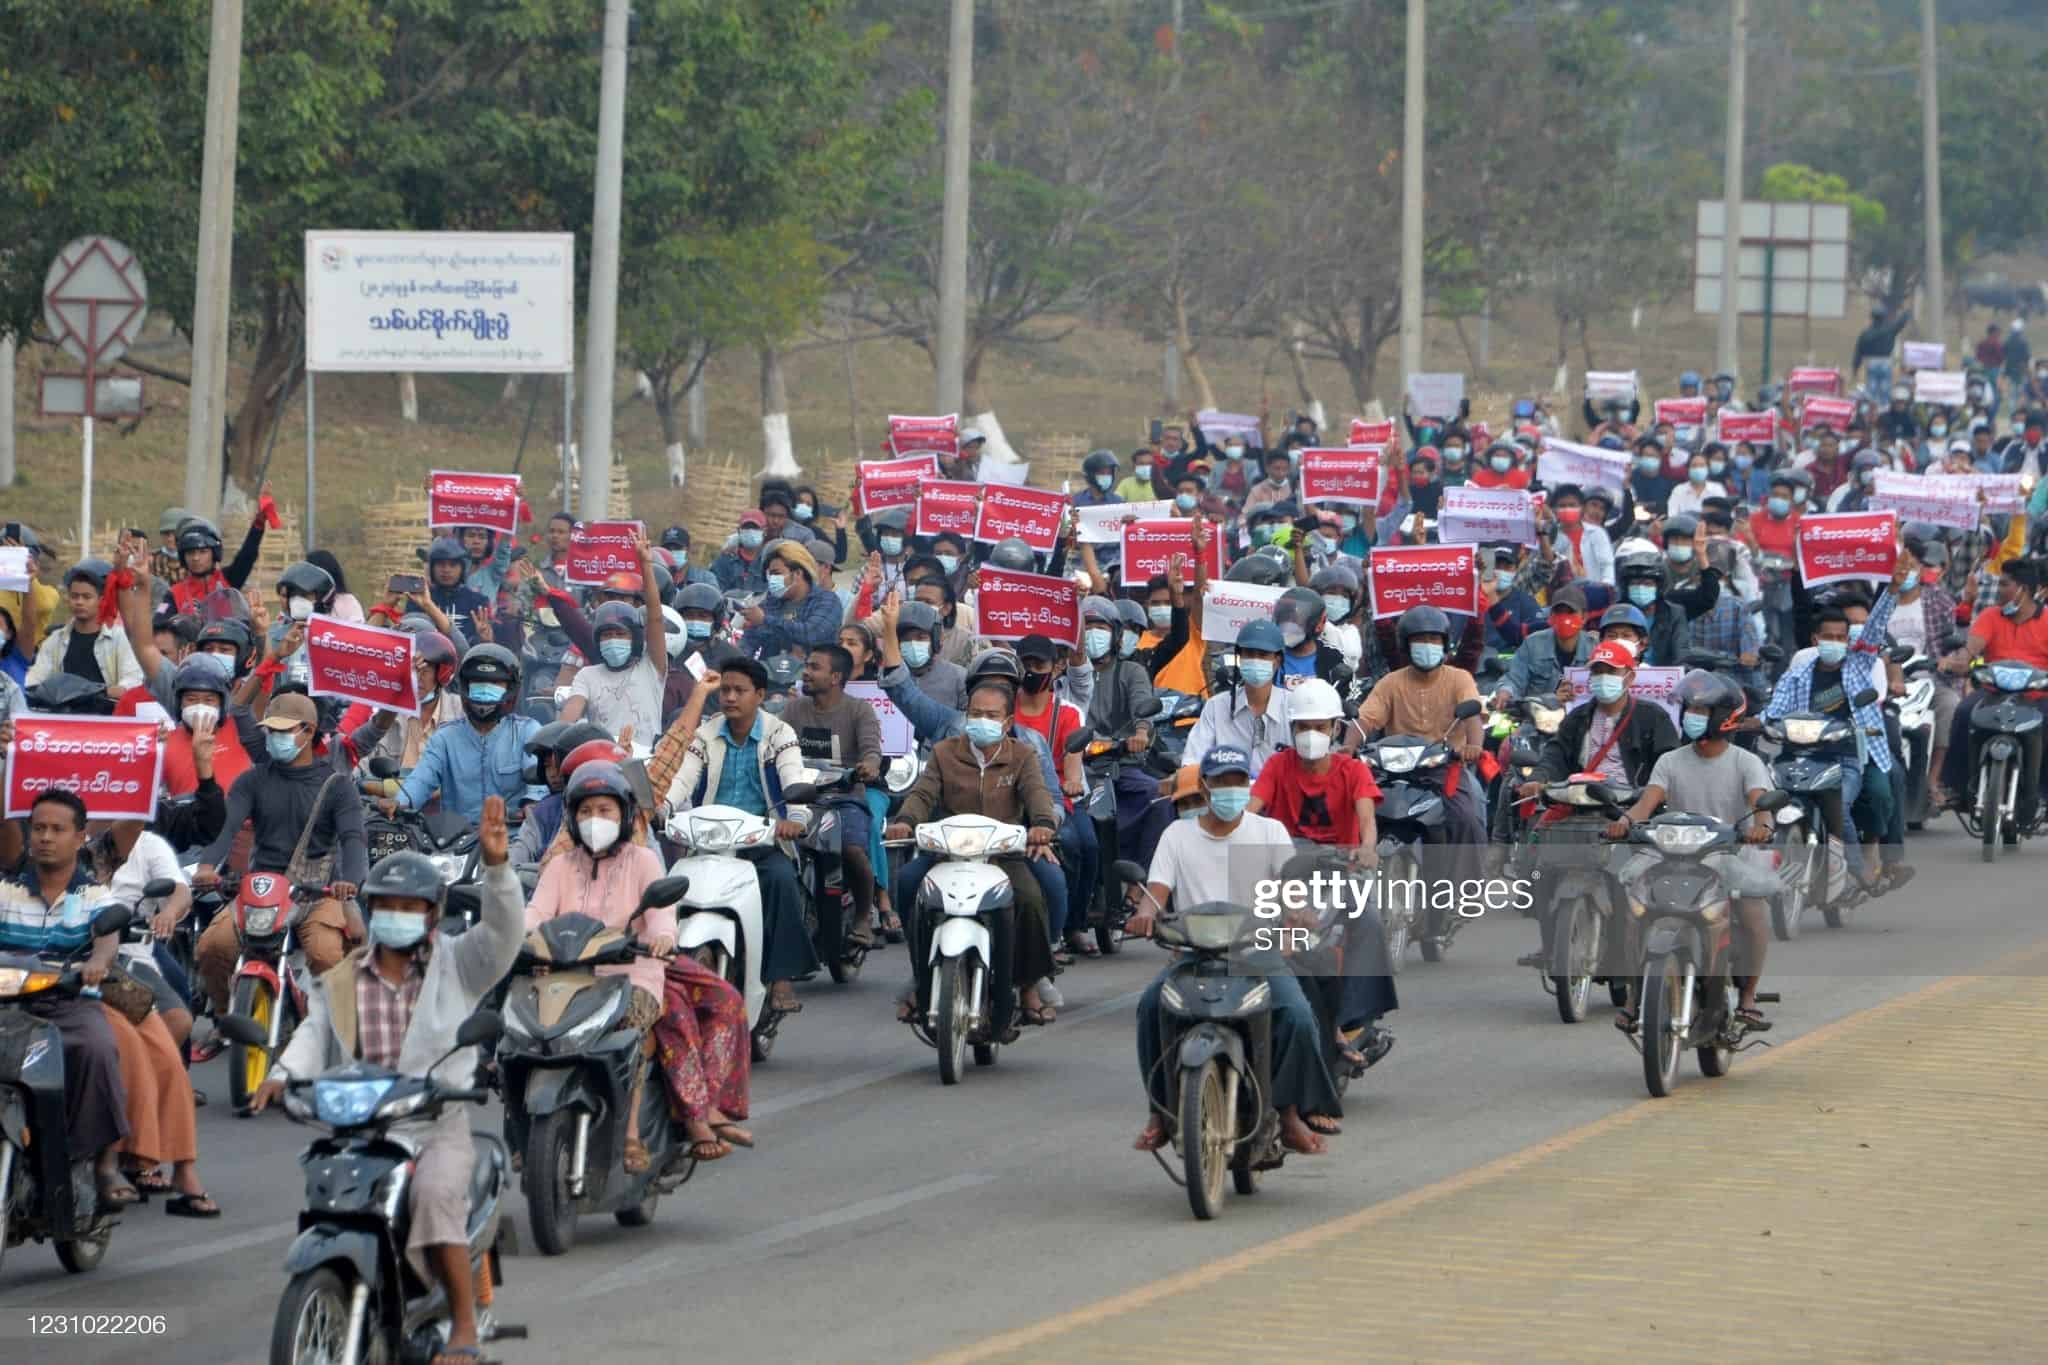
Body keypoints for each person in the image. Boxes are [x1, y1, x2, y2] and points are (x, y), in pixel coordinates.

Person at [257, 800, 523, 1365]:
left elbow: (504, 937)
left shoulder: (460, 962)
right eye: (387, 906)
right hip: (359, 1123)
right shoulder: (346, 974)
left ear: (431, 915)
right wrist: (281, 1077)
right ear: (370, 911)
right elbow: (316, 1029)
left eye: (411, 906)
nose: (398, 914)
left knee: (432, 1196)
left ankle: (464, 1329)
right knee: (328, 1184)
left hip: (434, 1121)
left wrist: (499, 870)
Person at [1127, 746, 1340, 1156]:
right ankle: (1159, 1110)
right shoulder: (1178, 835)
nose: (1230, 790)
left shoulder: (1268, 831)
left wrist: (1297, 911)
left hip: (1256, 949)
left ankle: (1290, 1114)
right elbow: (1156, 892)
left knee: (1296, 1015)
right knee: (1151, 1007)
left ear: (1248, 785)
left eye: (1238, 782)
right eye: (1221, 782)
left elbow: (1289, 886)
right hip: (1194, 954)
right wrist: (1144, 915)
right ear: (1204, 787)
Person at [885, 678, 1061, 1027]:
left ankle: (1028, 984)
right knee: (907, 883)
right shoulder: (944, 752)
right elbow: (923, 793)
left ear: (1007, 722)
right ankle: (922, 974)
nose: (982, 720)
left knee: (1029, 897)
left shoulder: (1022, 756)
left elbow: (1038, 794)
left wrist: (1043, 824)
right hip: (948, 852)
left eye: (991, 715)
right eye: (975, 713)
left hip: (1003, 853)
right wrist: (905, 820)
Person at [1612, 672, 1780, 1030]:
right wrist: (1624, 823)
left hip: (1729, 853)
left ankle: (1748, 996)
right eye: (1689, 709)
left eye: (1701, 710)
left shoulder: (1745, 762)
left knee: (1753, 911)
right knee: (1633, 909)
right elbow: (1647, 804)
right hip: (1672, 853)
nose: (1692, 716)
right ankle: (1632, 994)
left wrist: (1761, 828)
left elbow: (1759, 804)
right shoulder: (1670, 761)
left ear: (1723, 718)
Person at [662, 656, 821, 1015]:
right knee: (670, 889)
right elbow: (681, 780)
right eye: (725, 690)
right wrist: (662, 807)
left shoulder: (780, 733)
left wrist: (794, 819)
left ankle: (781, 980)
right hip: (707, 841)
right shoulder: (704, 734)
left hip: (760, 840)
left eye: (739, 690)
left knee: (781, 880)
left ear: (760, 695)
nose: (730, 697)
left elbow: (793, 776)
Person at [192, 692, 367, 1012]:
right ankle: (222, 1017)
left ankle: (328, 1031)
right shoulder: (252, 780)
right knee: (213, 947)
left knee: (325, 955)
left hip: (317, 892)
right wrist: (206, 866)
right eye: (271, 730)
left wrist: (351, 881)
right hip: (260, 888)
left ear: (308, 731)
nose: (275, 738)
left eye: (284, 731)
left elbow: (354, 839)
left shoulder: (338, 785)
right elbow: (226, 828)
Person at [1356, 606, 1487, 878]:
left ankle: (1466, 890)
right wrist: (1348, 744)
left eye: (1433, 639)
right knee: (1357, 808)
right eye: (1419, 639)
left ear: (1444, 644)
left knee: (1465, 818)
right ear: (1406, 644)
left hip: (1442, 766)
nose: (1427, 645)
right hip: (1392, 768)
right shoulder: (1390, 683)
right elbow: (1365, 719)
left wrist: (1472, 746)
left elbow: (1472, 714)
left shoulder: (1459, 678)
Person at [779, 643, 884, 950]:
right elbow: (776, 740)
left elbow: (871, 749)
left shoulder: (859, 710)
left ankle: (865, 916)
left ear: (836, 677)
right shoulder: (795, 709)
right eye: (807, 666)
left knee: (853, 851)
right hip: (801, 797)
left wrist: (869, 766)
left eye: (814, 667)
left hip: (844, 798)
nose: (806, 673)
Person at [1938, 557, 2048, 828]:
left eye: (2005, 584)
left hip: (2037, 696)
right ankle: (1957, 786)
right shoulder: (1990, 615)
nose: (1999, 589)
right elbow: (1972, 647)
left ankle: (2042, 793)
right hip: (1993, 692)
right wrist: (1958, 661)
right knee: (1963, 712)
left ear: (2023, 589)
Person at [1009, 634, 1095, 957]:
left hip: (1060, 795)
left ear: (1056, 668)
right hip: (1014, 794)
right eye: (1025, 663)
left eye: (1038, 664)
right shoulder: (1004, 708)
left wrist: (1072, 782)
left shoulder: (1068, 712)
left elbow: (1073, 758)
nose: (1030, 670)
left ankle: (1073, 924)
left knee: (1084, 845)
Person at [393, 644, 546, 823]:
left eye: (495, 683)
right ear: (465, 686)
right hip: (453, 842)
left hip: (512, 839)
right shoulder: (445, 738)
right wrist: (398, 803)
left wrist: (532, 805)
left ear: (511, 688)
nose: (485, 689)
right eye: (478, 683)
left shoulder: (528, 731)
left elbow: (539, 787)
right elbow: (420, 782)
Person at [560, 530, 667, 745]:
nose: (613, 640)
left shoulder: (651, 666)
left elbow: (655, 617)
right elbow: (572, 710)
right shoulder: (587, 676)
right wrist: (560, 734)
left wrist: (645, 565)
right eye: (607, 635)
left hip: (644, 764)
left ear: (635, 638)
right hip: (601, 762)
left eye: (620, 634)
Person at [1183, 620, 1295, 775]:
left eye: (1263, 655)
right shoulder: (1216, 706)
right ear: (1239, 658)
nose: (1255, 660)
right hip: (1227, 795)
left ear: (1277, 660)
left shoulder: (1294, 706)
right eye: (1249, 654)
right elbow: (1193, 761)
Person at [26, 560, 145, 698]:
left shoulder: (119, 638)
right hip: (62, 716)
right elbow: (34, 679)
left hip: (107, 715)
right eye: (74, 596)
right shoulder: (55, 640)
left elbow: (133, 681)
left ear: (101, 600)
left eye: (87, 597)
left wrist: (99, 692)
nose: (79, 602)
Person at [739, 539, 843, 658]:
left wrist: (765, 620)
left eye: (776, 573)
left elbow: (811, 633)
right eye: (770, 575)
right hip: (770, 672)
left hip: (811, 674)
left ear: (797, 574)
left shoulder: (827, 601)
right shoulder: (771, 602)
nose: (772, 579)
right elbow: (749, 641)